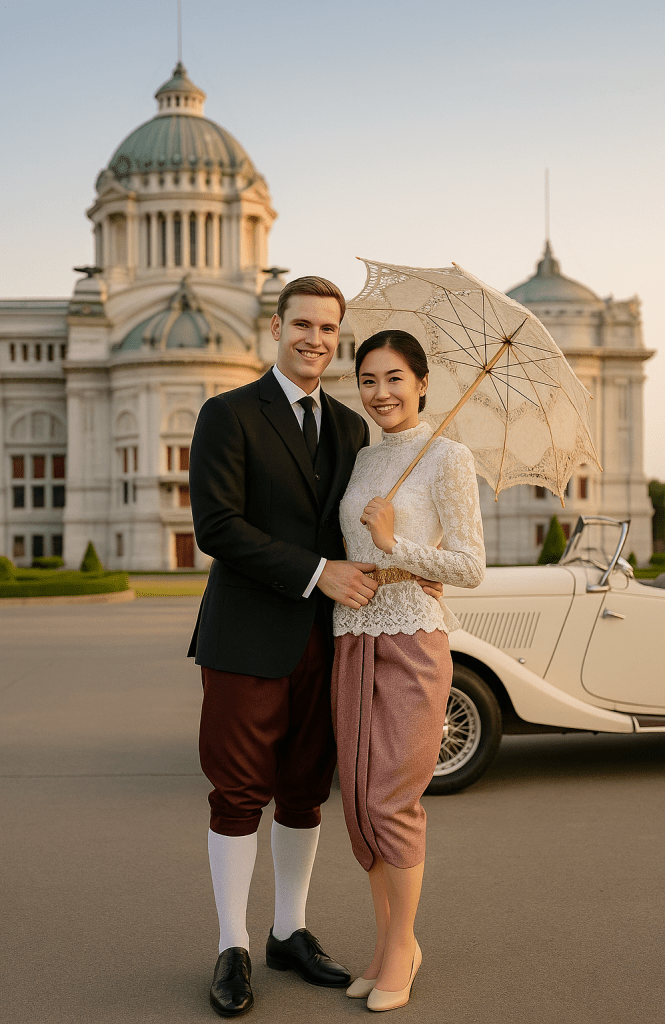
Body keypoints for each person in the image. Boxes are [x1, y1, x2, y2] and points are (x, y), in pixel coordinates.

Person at [187, 279, 441, 1018]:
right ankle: (232, 944)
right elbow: (217, 527)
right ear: (276, 327)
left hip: (329, 645)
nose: (315, 339)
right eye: (302, 324)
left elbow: (354, 536)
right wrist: (315, 571)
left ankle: (287, 932)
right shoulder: (227, 414)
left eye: (329, 329)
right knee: (237, 794)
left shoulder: (351, 428)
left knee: (303, 793)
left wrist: (403, 564)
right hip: (245, 637)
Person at [331, 329, 486, 1012]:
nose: (380, 393)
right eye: (367, 380)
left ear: (422, 382)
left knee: (393, 799)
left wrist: (398, 544)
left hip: (413, 637)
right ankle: (386, 939)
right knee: (361, 802)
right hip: (352, 636)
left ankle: (404, 946)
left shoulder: (448, 456)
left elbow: (471, 566)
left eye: (394, 378)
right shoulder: (362, 458)